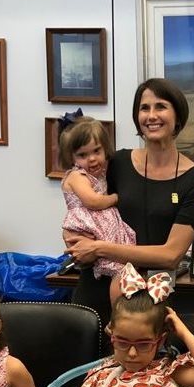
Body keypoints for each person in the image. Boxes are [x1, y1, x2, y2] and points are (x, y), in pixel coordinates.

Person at [66, 78, 194, 325]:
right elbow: (81, 205)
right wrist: (77, 241)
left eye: (161, 106)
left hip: (151, 298)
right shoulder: (117, 163)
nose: (151, 115)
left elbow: (170, 255)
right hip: (95, 292)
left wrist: (98, 248)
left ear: (178, 115)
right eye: (144, 108)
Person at [67, 264, 194, 387]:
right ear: (111, 335)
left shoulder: (169, 372)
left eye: (143, 344)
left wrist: (183, 332)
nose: (132, 353)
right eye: (122, 342)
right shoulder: (101, 375)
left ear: (160, 340)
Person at [59, 115, 136, 304]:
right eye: (82, 155)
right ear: (71, 158)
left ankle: (120, 309)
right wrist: (115, 198)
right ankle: (117, 311)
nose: (92, 159)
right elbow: (92, 201)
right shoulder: (77, 175)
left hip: (101, 224)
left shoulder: (102, 172)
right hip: (88, 224)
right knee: (116, 266)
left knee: (121, 266)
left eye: (96, 151)